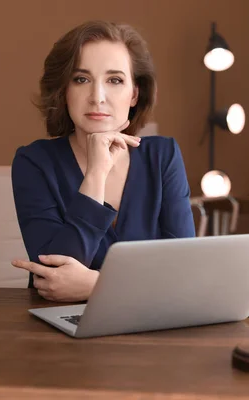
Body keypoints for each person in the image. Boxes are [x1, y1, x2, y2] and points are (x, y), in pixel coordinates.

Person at [11, 20, 196, 302]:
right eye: (81, 79)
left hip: (152, 326)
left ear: (134, 94)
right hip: (58, 332)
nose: (97, 97)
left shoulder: (163, 156)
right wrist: (96, 174)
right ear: (64, 91)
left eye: (115, 80)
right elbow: (55, 276)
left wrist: (97, 285)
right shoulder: (33, 162)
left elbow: (183, 273)